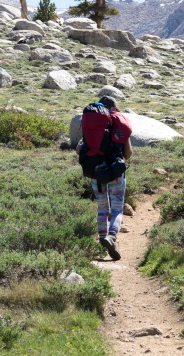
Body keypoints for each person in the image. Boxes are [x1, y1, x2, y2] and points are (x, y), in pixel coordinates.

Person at [77, 95, 133, 261]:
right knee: (116, 208)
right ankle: (112, 236)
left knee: (102, 207)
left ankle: (103, 237)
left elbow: (79, 149)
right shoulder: (118, 126)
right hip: (115, 173)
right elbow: (128, 154)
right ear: (114, 108)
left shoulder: (92, 127)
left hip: (95, 173)